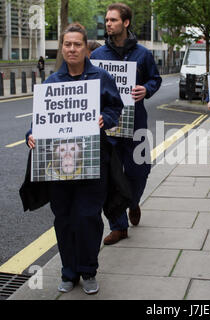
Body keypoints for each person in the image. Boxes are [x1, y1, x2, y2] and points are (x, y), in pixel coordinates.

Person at [26, 23, 124, 295]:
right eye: (67, 44)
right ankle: (69, 272)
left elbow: (116, 106)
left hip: (93, 161)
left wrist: (108, 118)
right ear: (62, 48)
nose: (72, 49)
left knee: (88, 217)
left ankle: (88, 270)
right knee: (65, 219)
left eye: (77, 44)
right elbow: (39, 121)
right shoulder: (51, 83)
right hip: (58, 167)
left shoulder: (101, 78)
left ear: (85, 48)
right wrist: (31, 135)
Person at [90, 3, 162, 245]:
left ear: (126, 23)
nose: (108, 24)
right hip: (109, 127)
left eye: (113, 20)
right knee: (110, 179)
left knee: (139, 171)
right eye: (107, 20)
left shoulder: (143, 54)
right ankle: (119, 227)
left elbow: (155, 78)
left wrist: (147, 88)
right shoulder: (98, 56)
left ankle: (132, 202)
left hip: (136, 124)